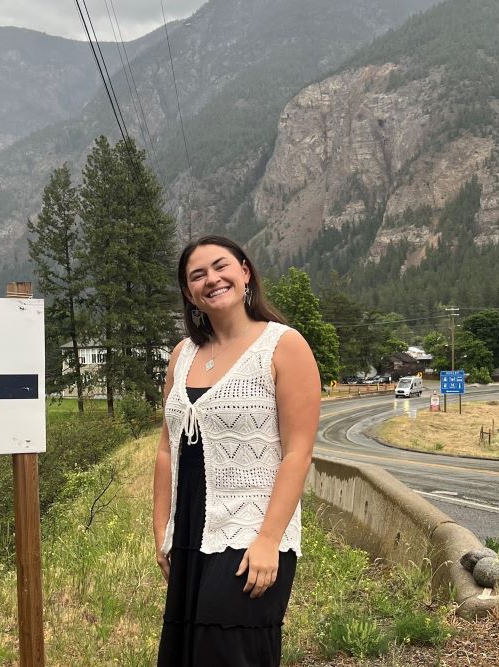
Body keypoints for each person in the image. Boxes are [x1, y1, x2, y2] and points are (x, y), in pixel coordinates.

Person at [153, 235, 321, 666]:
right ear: (190, 294)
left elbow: (297, 453)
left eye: (220, 266)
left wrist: (268, 540)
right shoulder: (181, 355)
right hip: (190, 534)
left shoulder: (283, 346)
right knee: (186, 655)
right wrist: (162, 532)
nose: (212, 279)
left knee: (230, 654)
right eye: (198, 275)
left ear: (245, 272)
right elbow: (167, 450)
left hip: (250, 533)